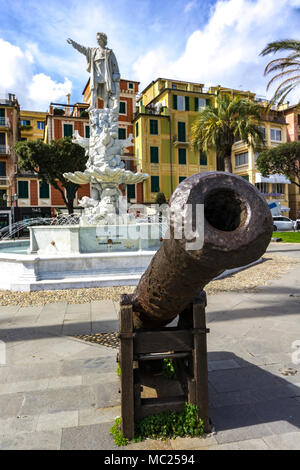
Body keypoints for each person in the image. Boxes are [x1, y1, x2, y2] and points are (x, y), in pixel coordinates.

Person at [67, 32, 120, 109]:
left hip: (106, 73)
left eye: (99, 39)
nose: (98, 41)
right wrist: (73, 43)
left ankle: (106, 106)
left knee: (106, 90)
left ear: (103, 40)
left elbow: (114, 64)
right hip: (95, 72)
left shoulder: (109, 52)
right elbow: (82, 49)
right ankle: (92, 105)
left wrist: (116, 73)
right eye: (97, 39)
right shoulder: (93, 51)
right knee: (93, 88)